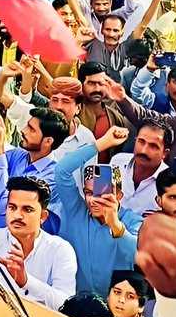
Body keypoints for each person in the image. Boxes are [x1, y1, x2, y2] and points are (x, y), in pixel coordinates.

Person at [52, 126, 143, 294]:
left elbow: (136, 256)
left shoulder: (134, 221)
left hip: (114, 311)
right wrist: (102, 143)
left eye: (102, 192)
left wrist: (115, 225)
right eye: (88, 192)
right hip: (75, 305)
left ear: (120, 195)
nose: (93, 199)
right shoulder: (77, 211)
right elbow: (62, 170)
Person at [0, 176, 78, 310]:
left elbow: (65, 304)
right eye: (12, 208)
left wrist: (26, 281)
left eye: (27, 210)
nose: (17, 216)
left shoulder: (61, 249)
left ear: (43, 217)